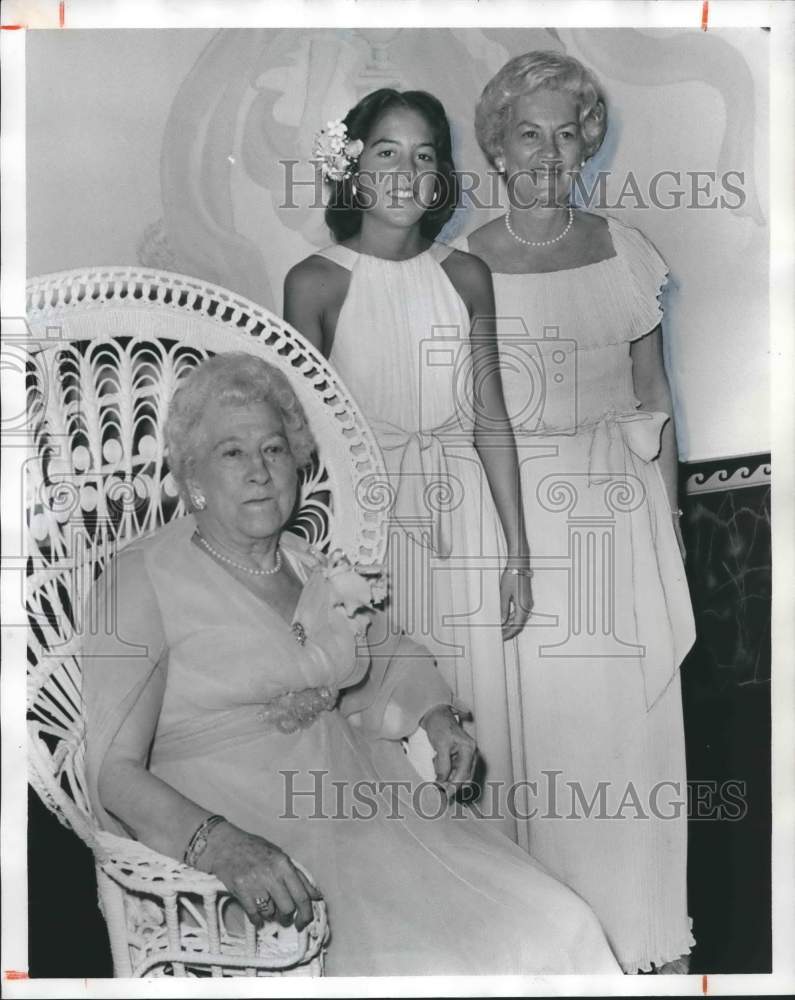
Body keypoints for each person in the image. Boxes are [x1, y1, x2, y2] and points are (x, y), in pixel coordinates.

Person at [81, 353, 621, 976]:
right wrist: (217, 843)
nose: (259, 471)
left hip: (369, 808)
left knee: (560, 923)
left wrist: (439, 717)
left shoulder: (307, 562)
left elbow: (386, 659)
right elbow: (114, 772)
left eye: (274, 449)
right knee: (443, 968)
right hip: (248, 837)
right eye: (232, 453)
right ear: (192, 475)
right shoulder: (141, 577)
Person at [456, 51, 697, 974]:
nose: (550, 152)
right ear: (499, 149)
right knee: (535, 749)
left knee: (626, 743)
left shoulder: (626, 248)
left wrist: (666, 524)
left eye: (567, 133)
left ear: (585, 145)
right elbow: (472, 412)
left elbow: (652, 389)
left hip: (619, 520)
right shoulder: (468, 261)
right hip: (513, 522)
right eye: (530, 135)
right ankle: (548, 957)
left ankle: (643, 945)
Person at [284, 89, 532, 839]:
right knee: (391, 712)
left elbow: (490, 415)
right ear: (352, 170)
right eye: (385, 152)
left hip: (466, 525)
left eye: (424, 156)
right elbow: (302, 440)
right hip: (371, 533)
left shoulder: (467, 276)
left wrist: (516, 550)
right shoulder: (314, 283)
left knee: (475, 707)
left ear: (439, 178)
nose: (404, 172)